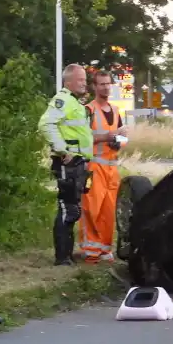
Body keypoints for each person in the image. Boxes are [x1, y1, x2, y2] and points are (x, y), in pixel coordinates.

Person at [39, 64, 94, 266]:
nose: (84, 83)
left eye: (85, 79)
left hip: (77, 163)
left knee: (72, 209)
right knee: (67, 209)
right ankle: (62, 258)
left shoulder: (75, 103)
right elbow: (45, 123)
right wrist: (63, 150)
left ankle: (67, 256)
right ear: (68, 81)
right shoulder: (63, 100)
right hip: (67, 163)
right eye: (80, 80)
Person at [79, 70, 128, 264]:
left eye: (108, 84)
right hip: (93, 166)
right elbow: (83, 139)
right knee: (91, 208)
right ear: (94, 87)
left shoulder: (116, 111)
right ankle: (91, 250)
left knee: (109, 210)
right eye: (101, 84)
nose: (106, 87)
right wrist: (108, 137)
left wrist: (120, 141)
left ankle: (105, 249)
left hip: (111, 168)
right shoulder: (88, 110)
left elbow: (123, 136)